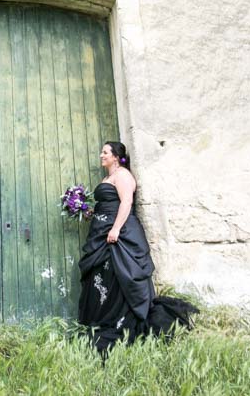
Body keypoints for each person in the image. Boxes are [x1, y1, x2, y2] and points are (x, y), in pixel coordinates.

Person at [78, 141, 196, 355]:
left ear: (115, 156)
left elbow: (125, 203)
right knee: (105, 275)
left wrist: (115, 229)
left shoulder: (123, 175)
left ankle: (123, 320)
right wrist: (88, 212)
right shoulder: (107, 178)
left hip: (119, 234)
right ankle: (103, 316)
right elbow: (108, 203)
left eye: (105, 152)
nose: (101, 155)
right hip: (102, 232)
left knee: (123, 274)